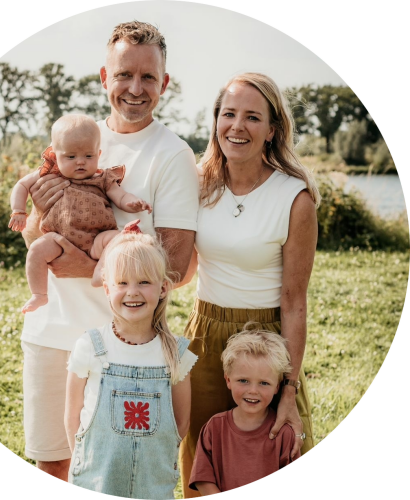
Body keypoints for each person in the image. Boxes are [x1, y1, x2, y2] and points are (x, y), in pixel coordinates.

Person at [19, 21, 199, 482]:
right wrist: (39, 222)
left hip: (123, 345)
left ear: (164, 83)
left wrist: (86, 266)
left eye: (147, 77)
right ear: (104, 78)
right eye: (123, 75)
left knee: (114, 473)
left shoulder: (173, 155)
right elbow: (35, 231)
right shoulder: (73, 136)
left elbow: (176, 268)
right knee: (53, 463)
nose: (135, 88)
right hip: (52, 330)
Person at [178, 72, 321, 498]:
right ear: (216, 120)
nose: (237, 126)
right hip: (204, 335)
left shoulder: (295, 198)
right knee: (201, 461)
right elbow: (182, 270)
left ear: (272, 129)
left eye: (252, 117)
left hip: (268, 339)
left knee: (279, 448)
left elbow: (294, 302)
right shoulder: (197, 184)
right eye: (228, 114)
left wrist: (289, 389)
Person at [65, 224, 197, 498]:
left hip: (153, 485)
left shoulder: (175, 354)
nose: (132, 292)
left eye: (144, 282)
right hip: (96, 479)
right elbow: (73, 416)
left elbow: (180, 424)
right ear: (107, 289)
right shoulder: (91, 346)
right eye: (122, 283)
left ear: (163, 288)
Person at [8, 113, 152, 313]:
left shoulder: (103, 178)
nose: (80, 162)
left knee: (118, 239)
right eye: (71, 157)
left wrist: (133, 203)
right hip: (58, 239)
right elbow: (22, 185)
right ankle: (39, 294)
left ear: (98, 154)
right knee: (37, 250)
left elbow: (120, 197)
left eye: (88, 156)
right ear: (55, 156)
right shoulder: (48, 174)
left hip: (96, 238)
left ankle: (100, 270)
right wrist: (18, 211)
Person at [189, 322, 299, 495]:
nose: (253, 390)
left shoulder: (283, 433)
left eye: (264, 383)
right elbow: (203, 478)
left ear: (277, 386)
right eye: (243, 381)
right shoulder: (214, 428)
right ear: (228, 380)